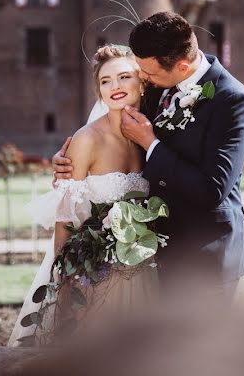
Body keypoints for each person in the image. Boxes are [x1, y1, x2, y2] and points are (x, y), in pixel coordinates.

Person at [54, 11, 244, 298]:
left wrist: (151, 144)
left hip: (206, 256)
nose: (142, 79)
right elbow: (110, 132)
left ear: (182, 67)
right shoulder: (156, 83)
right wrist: (71, 164)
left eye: (147, 74)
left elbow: (213, 189)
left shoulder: (231, 100)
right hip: (150, 256)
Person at [8, 45, 155, 346]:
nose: (114, 87)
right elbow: (65, 221)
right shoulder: (86, 139)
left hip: (143, 273)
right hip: (94, 276)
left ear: (142, 82)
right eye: (105, 81)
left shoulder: (147, 136)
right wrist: (64, 289)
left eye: (124, 77)